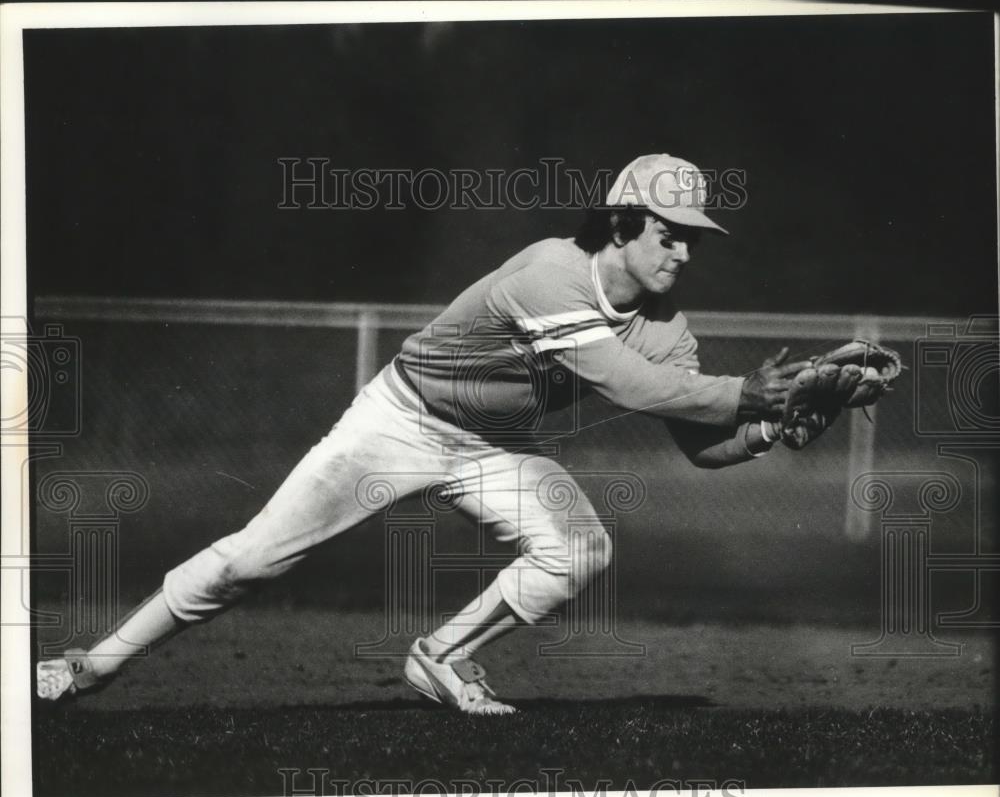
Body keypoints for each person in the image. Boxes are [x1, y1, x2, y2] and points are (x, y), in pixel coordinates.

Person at [37, 154, 807, 715]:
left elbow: (700, 443)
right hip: (403, 420)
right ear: (620, 222)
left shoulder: (666, 327)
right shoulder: (552, 273)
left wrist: (775, 424)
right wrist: (746, 394)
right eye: (670, 232)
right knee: (252, 561)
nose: (683, 250)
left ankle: (443, 658)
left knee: (581, 550)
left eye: (693, 239)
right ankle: (86, 667)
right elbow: (627, 384)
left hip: (495, 445)